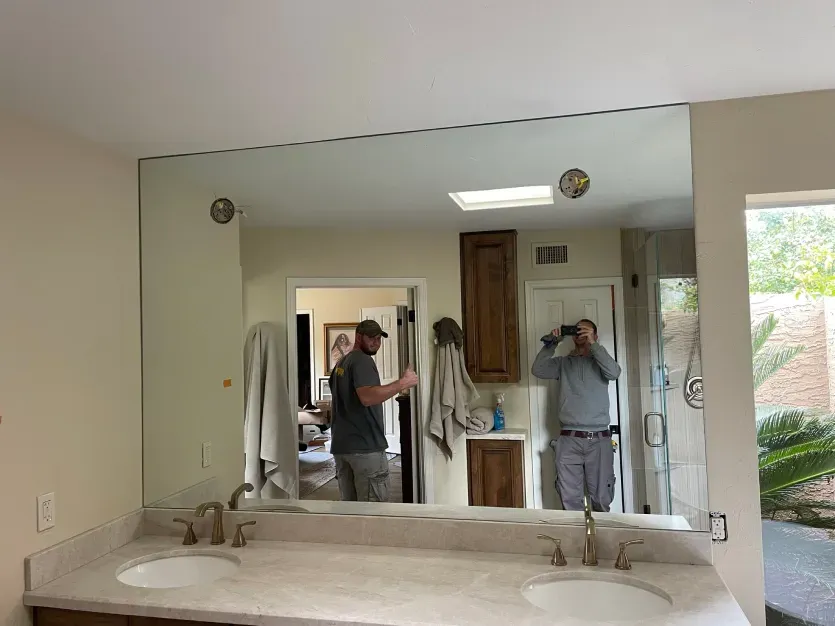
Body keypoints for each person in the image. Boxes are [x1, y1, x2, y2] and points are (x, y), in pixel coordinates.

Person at [531, 319, 622, 512]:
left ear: (595, 335)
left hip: (599, 441)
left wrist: (593, 345)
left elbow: (614, 373)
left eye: (586, 331)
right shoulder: (563, 364)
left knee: (601, 500)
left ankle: (601, 542)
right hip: (569, 440)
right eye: (577, 331)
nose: (580, 335)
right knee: (570, 501)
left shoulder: (601, 362)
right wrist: (552, 343)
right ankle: (574, 542)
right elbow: (538, 369)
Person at [328, 319, 419, 502]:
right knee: (373, 513)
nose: (376, 342)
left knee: (350, 511)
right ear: (359, 337)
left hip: (342, 448)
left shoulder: (341, 363)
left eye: (379, 338)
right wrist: (403, 383)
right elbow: (367, 397)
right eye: (372, 338)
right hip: (365, 448)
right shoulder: (362, 360)